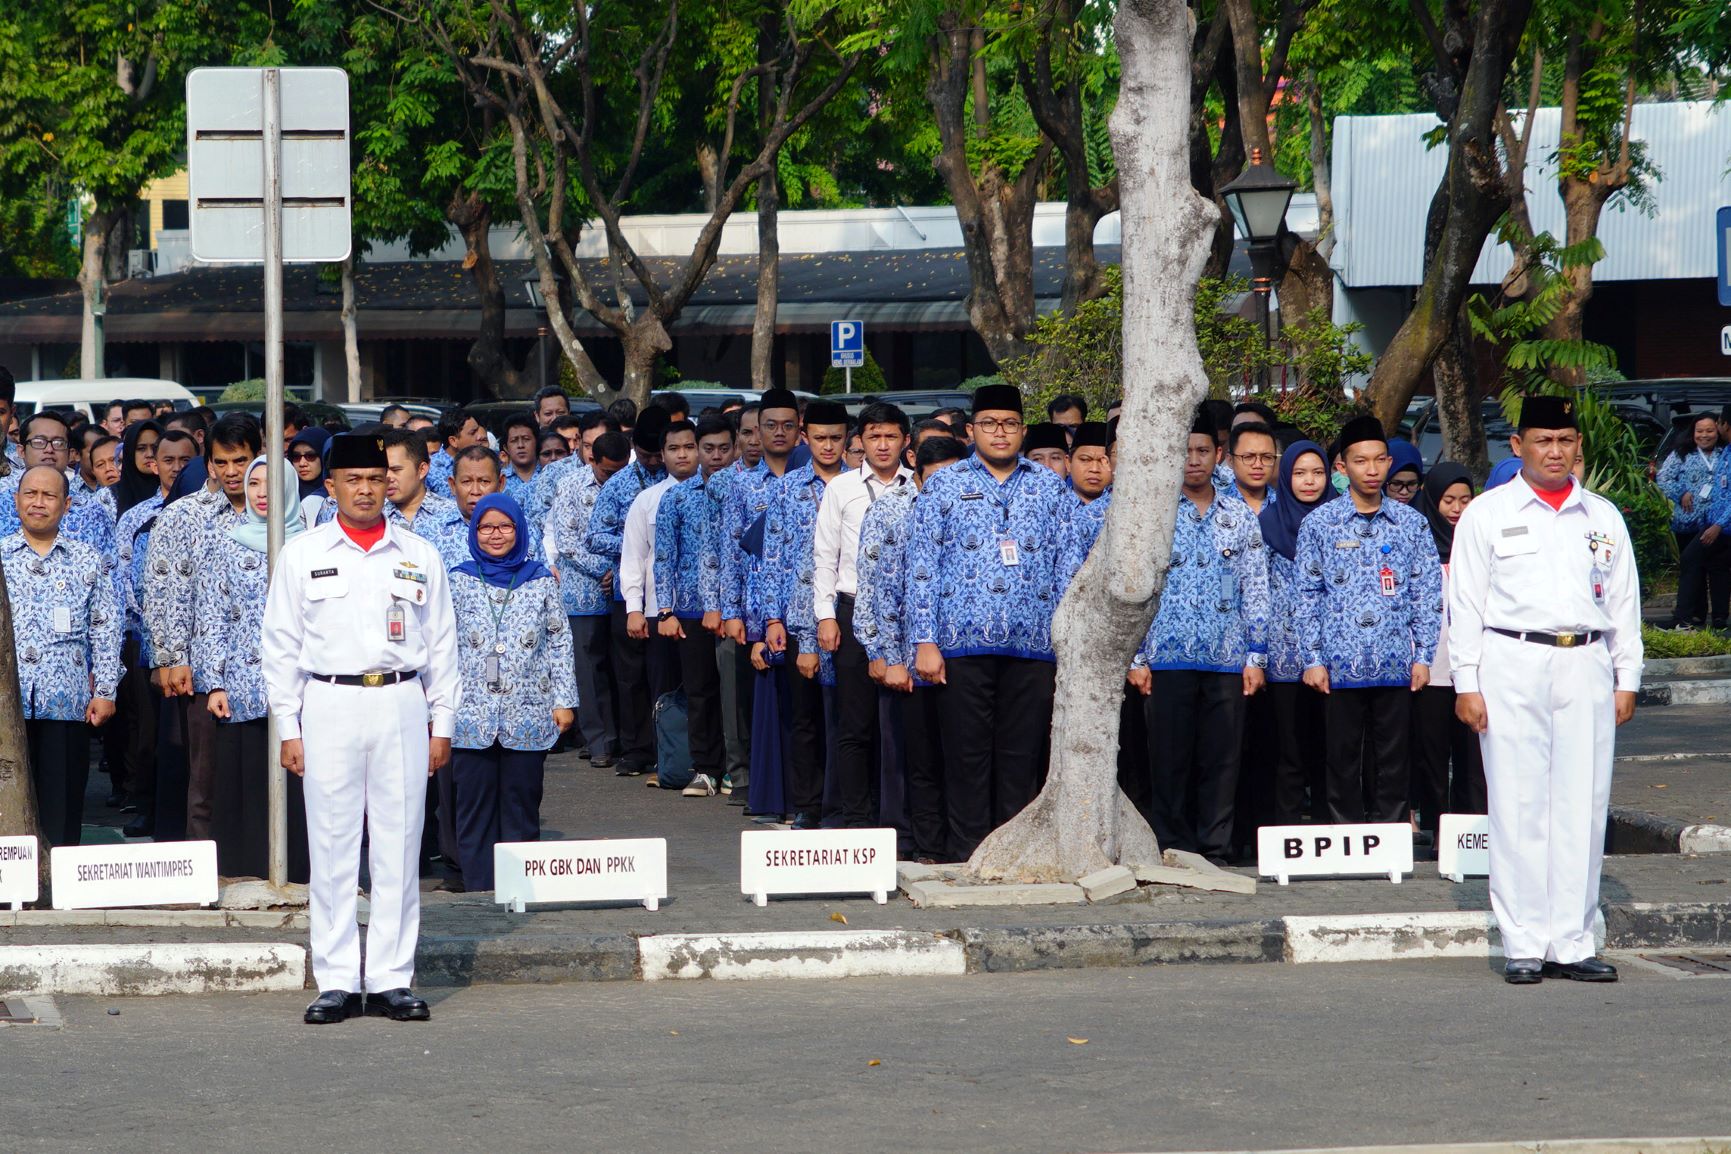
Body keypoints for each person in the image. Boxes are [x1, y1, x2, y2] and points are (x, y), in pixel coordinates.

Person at [262, 432, 460, 1024]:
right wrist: (288, 727)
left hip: (400, 702)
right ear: (332, 486)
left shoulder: (418, 553)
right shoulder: (302, 554)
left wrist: (442, 721)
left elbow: (443, 645)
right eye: (354, 480)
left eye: (376, 479)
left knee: (399, 845)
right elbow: (280, 647)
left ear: (390, 484)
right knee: (331, 844)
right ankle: (339, 979)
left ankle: (395, 978)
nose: (367, 490)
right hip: (329, 703)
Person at [1448, 394, 1642, 984]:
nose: (1554, 451)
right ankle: (1524, 942)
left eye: (1564, 441)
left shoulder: (1602, 517)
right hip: (1511, 662)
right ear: (1518, 446)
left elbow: (1626, 604)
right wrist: (1466, 682)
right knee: (1517, 803)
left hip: (1584, 662)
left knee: (1582, 804)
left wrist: (1626, 676)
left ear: (1577, 445)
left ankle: (1573, 940)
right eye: (1542, 440)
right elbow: (1464, 606)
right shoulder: (1487, 513)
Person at [906, 384, 1085, 860]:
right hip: (960, 644)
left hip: (1034, 645)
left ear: (1023, 431)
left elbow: (1069, 568)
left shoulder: (1049, 486)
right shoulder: (943, 485)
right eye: (989, 424)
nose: (999, 433)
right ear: (971, 431)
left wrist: (1067, 640)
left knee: (1021, 756)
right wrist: (924, 641)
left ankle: (1014, 854)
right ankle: (968, 854)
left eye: (1009, 424)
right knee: (966, 757)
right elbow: (921, 566)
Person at [1126, 410, 1269, 863]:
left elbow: (1256, 585)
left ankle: (1215, 848)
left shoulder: (1238, 515)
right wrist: (1136, 658)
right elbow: (1133, 587)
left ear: (1219, 455)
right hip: (1165, 659)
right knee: (1168, 762)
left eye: (1203, 451)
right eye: (1184, 451)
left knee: (1221, 762)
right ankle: (1173, 846)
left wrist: (1256, 655)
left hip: (1226, 659)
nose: (1193, 460)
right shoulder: (1152, 513)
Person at [1295, 415, 1442, 826]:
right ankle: (1347, 836)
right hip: (1338, 664)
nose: (1373, 470)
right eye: (1361, 461)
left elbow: (1426, 592)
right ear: (1343, 466)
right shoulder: (1320, 524)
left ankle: (1392, 834)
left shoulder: (1411, 524)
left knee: (1394, 757)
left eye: (1380, 460)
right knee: (1340, 758)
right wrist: (1313, 658)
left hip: (1396, 662)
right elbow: (1306, 594)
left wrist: (1423, 655)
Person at [145, 416, 264, 844]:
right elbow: (164, 592)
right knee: (205, 775)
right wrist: (172, 659)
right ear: (209, 463)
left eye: (241, 460)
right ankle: (206, 867)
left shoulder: (279, 515)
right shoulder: (181, 517)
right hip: (201, 666)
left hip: (267, 668)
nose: (232, 471)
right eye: (222, 462)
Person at [449, 493, 576, 891]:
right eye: (486, 527)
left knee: (521, 803)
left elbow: (559, 640)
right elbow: (440, 643)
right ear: (474, 531)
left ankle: (519, 886)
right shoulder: (458, 579)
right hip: (470, 712)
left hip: (529, 709)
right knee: (473, 806)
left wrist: (564, 700)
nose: (496, 535)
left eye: (505, 526)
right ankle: (478, 887)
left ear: (520, 530)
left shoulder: (540, 580)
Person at [195, 455, 310, 882]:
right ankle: (243, 871)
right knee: (244, 781)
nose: (263, 493)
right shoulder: (227, 542)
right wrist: (214, 683)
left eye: (272, 483)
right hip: (242, 686)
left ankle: (298, 871)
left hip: (301, 686)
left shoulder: (310, 545)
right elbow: (211, 615)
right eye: (255, 483)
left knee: (298, 783)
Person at [857, 434, 966, 860]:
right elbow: (876, 588)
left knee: (958, 756)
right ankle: (920, 844)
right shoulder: (891, 509)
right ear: (916, 476)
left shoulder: (971, 508)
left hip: (960, 655)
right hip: (907, 654)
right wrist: (885, 655)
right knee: (914, 759)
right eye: (935, 480)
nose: (944, 488)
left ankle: (957, 842)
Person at [2, 465, 121, 847]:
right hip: (6, 705)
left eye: (49, 496)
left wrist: (105, 690)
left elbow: (105, 627)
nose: (38, 503)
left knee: (62, 800)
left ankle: (58, 887)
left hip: (66, 702)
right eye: (30, 494)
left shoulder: (87, 561)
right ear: (16, 500)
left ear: (66, 504)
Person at [813, 401, 911, 828]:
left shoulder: (919, 485)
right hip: (853, 610)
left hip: (909, 616)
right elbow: (823, 556)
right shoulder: (841, 488)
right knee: (855, 722)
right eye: (874, 437)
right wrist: (825, 615)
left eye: (891, 436)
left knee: (904, 725)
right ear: (861, 443)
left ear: (906, 441)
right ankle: (856, 819)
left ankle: (900, 819)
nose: (883, 445)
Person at [762, 400, 851, 828]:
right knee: (805, 718)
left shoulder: (860, 485)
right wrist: (772, 619)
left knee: (847, 717)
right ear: (804, 436)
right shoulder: (786, 489)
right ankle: (808, 806)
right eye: (819, 437)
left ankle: (847, 806)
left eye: (836, 437)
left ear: (848, 436)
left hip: (850, 616)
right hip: (799, 618)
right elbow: (772, 558)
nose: (828, 445)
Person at [723, 390, 801, 817]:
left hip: (805, 606)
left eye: (788, 425)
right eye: (769, 425)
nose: (778, 433)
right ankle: (771, 795)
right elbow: (730, 549)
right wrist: (732, 610)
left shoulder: (817, 476)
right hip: (757, 609)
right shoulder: (743, 483)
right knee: (766, 708)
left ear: (799, 428)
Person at [654, 414, 736, 797]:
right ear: (697, 451)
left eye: (723, 448)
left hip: (737, 610)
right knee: (700, 692)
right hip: (690, 609)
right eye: (708, 449)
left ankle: (739, 767)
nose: (716, 456)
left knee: (735, 694)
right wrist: (666, 611)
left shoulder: (744, 490)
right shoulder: (677, 496)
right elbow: (664, 556)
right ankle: (705, 769)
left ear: (734, 448)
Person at [586, 406, 670, 777]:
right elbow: (594, 536)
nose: (654, 461)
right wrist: (635, 541)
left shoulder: (680, 477)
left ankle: (671, 747)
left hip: (670, 598)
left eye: (660, 453)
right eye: (648, 454)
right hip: (629, 594)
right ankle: (636, 749)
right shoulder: (619, 483)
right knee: (630, 675)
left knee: (667, 675)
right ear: (636, 446)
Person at [1408, 462, 1487, 838]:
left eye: (1465, 500)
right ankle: (1441, 832)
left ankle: (1472, 833)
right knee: (1433, 757)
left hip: (1476, 672)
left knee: (1473, 758)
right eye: (1448, 501)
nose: (1457, 509)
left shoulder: (1483, 548)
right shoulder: (1419, 548)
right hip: (1433, 669)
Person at [1258, 440, 1333, 825]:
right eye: (1300, 473)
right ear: (1286, 476)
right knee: (1288, 750)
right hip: (1282, 656)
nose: (1309, 481)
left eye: (1317, 472)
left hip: (1331, 654)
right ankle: (1286, 833)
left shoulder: (1339, 520)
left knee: (1329, 748)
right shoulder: (1268, 523)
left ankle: (1328, 829)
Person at [620, 418, 698, 780]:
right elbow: (633, 557)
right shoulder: (647, 500)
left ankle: (707, 763)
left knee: (704, 691)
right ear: (662, 455)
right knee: (663, 689)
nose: (682, 454)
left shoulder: (716, 493)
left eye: (688, 446)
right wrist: (634, 609)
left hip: (702, 611)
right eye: (673, 448)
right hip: (657, 611)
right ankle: (671, 762)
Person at [551, 431, 632, 770]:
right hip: (583, 591)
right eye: (606, 473)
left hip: (626, 591)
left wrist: (621, 570)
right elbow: (567, 542)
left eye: (618, 471)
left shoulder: (633, 482)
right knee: (588, 669)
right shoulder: (569, 486)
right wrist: (606, 568)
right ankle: (599, 741)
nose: (613, 480)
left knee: (623, 669)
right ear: (591, 460)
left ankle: (628, 741)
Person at [1661, 410, 1727, 630]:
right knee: (1692, 568)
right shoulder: (1682, 452)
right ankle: (1696, 615)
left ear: (1718, 430)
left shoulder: (1724, 453)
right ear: (1693, 432)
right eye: (1700, 431)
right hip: (1687, 521)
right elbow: (1664, 477)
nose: (1705, 435)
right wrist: (1680, 492)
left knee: (1716, 568)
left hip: (1716, 523)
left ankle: (1717, 616)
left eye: (1709, 430)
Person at [1227, 421, 1278, 514]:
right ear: (1230, 460)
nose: (1258, 465)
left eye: (1267, 457)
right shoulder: (1214, 504)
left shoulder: (1284, 506)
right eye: (1248, 457)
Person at [500, 412, 540, 504]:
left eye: (526, 439)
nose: (520, 445)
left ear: (537, 442)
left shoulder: (548, 473)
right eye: (514, 441)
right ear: (506, 448)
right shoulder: (500, 480)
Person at [1385, 439, 1424, 505]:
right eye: (1396, 484)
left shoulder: (1426, 512)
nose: (1404, 492)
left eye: (1412, 484)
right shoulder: (1366, 512)